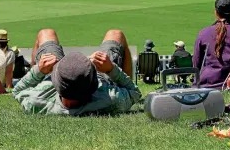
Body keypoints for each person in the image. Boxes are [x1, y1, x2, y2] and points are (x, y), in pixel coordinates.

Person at [13, 29, 141, 115]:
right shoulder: (110, 100)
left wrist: (39, 70)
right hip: (93, 76)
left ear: (56, 84)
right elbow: (134, 92)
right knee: (116, 34)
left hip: (68, 71)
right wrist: (111, 69)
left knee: (45, 33)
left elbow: (17, 90)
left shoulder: (37, 101)